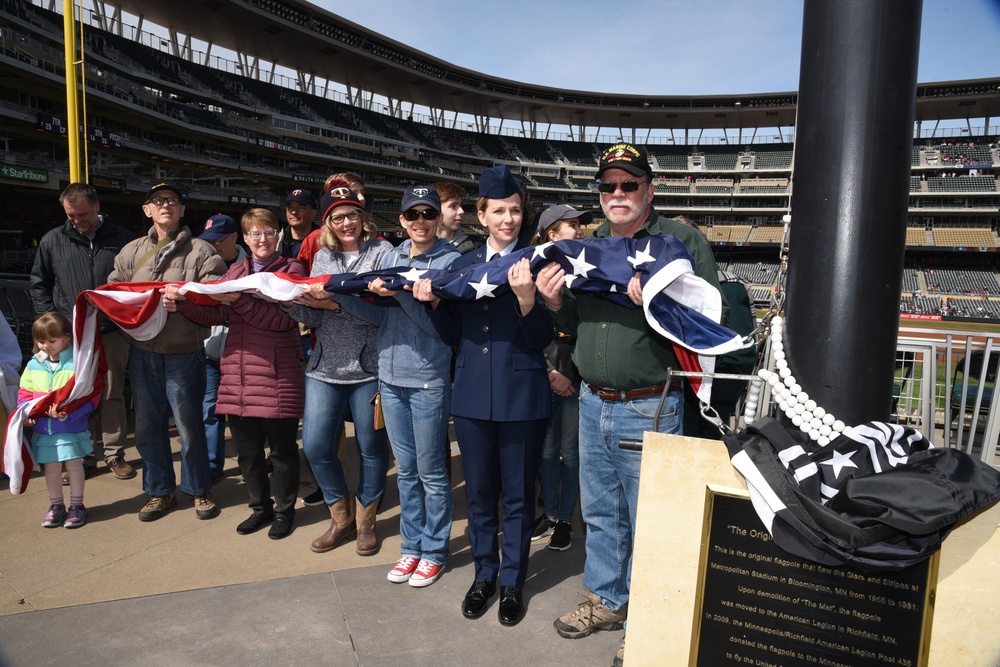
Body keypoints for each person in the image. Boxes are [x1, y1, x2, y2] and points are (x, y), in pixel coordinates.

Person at [536, 144, 726, 667]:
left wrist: (665, 297)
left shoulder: (681, 240)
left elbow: (714, 317)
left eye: (628, 184)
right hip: (593, 399)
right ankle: (608, 600)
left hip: (652, 402)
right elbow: (572, 321)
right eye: (608, 186)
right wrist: (555, 302)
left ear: (650, 188)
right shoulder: (589, 244)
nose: (617, 194)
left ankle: (649, 618)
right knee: (600, 512)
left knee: (652, 519)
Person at [413, 165, 552, 627]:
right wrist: (434, 304)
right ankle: (484, 575)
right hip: (472, 396)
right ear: (482, 214)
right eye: (498, 211)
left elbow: (542, 338)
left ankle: (512, 581)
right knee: (478, 496)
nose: (507, 219)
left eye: (515, 210)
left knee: (516, 497)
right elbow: (454, 334)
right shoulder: (462, 267)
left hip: (522, 396)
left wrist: (529, 302)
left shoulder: (539, 262)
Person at [335, 186, 460, 587]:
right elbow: (380, 319)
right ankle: (411, 548)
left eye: (428, 214)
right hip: (389, 379)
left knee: (432, 473)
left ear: (438, 218)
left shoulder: (451, 261)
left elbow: (439, 329)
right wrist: (339, 297)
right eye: (412, 215)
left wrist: (403, 295)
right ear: (401, 220)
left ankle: (435, 550)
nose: (420, 221)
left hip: (427, 379)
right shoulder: (390, 255)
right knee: (405, 472)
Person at [166, 208, 305, 540]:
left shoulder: (292, 270)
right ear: (245, 239)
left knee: (282, 452)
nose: (262, 239)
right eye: (255, 234)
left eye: (269, 232)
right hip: (237, 376)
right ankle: (260, 508)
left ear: (279, 235)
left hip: (277, 374)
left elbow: (283, 321)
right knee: (247, 453)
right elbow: (214, 314)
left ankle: (285, 512)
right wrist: (182, 302)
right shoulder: (236, 271)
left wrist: (238, 302)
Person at [107, 182, 226, 522]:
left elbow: (216, 296)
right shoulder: (130, 252)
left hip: (184, 353)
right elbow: (115, 293)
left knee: (190, 427)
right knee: (147, 428)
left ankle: (199, 489)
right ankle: (160, 492)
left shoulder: (202, 251)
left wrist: (186, 299)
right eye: (158, 201)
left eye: (173, 201)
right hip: (142, 354)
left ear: (182, 210)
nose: (166, 206)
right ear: (147, 210)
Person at [289, 180, 391, 556]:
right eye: (337, 217)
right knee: (316, 446)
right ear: (328, 223)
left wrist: (335, 304)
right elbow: (310, 316)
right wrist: (289, 300)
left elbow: (385, 315)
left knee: (372, 447)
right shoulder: (322, 257)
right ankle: (341, 515)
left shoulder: (383, 252)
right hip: (325, 367)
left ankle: (366, 521)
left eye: (351, 215)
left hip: (370, 368)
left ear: (362, 218)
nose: (345, 223)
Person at [29, 183, 135, 481]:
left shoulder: (123, 240)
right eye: (71, 215)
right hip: (71, 333)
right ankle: (84, 456)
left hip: (112, 330)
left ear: (97, 207)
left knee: (113, 392)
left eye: (82, 214)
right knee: (77, 393)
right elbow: (39, 284)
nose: (77, 220)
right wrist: (51, 323)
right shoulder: (52, 240)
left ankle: (114, 454)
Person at [529, 205, 590, 552]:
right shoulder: (535, 269)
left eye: (581, 225)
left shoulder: (586, 270)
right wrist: (550, 372)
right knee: (547, 452)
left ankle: (565, 518)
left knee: (569, 452)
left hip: (575, 370)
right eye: (572, 225)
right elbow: (525, 328)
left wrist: (567, 375)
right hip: (544, 369)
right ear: (552, 234)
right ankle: (550, 514)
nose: (580, 230)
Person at [18, 312, 100, 528]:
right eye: (40, 341)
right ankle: (56, 506)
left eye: (51, 340)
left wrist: (70, 413)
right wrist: (26, 413)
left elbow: (91, 395)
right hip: (44, 430)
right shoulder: (34, 364)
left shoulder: (78, 363)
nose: (45, 346)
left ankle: (77, 505)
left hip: (70, 427)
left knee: (74, 466)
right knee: (52, 468)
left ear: (66, 337)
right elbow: (25, 391)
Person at [197, 213, 246, 483]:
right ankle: (213, 466)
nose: (213, 246)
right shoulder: (201, 262)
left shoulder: (251, 264)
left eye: (219, 240)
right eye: (208, 240)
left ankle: (252, 461)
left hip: (241, 352)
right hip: (209, 350)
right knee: (208, 410)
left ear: (234, 238)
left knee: (242, 412)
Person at [433, 181, 480, 254]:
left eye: (461, 205)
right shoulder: (413, 248)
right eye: (453, 206)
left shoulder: (475, 250)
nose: (461, 211)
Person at [278, 188, 318, 259]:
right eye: (290, 207)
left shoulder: (324, 240)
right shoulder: (277, 239)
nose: (294, 212)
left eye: (300, 208)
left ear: (313, 213)